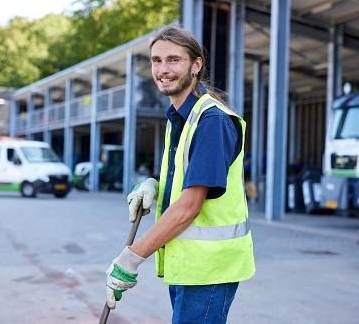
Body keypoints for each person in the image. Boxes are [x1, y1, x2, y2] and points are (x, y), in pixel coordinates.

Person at [105, 26, 255, 323]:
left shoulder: (211, 120)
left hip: (209, 269)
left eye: (173, 60)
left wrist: (130, 259)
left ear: (196, 65)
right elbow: (191, 181)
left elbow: (190, 205)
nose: (163, 69)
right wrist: (156, 186)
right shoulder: (180, 118)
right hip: (189, 266)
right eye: (156, 60)